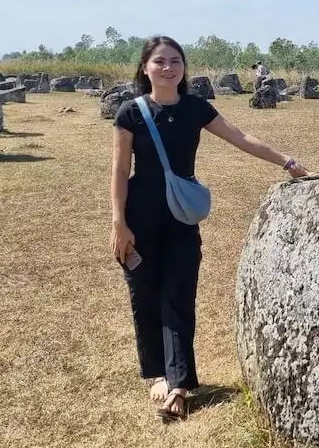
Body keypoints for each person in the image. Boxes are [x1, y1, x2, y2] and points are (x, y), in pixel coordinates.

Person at [111, 36, 309, 422]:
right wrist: (119, 223)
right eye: (160, 61)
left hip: (182, 216)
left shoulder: (195, 108)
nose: (168, 68)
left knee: (179, 296)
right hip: (139, 216)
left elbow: (239, 137)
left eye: (175, 61)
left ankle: (180, 384)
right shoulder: (130, 113)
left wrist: (286, 162)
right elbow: (119, 171)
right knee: (145, 293)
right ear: (145, 68)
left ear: (183, 68)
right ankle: (156, 372)